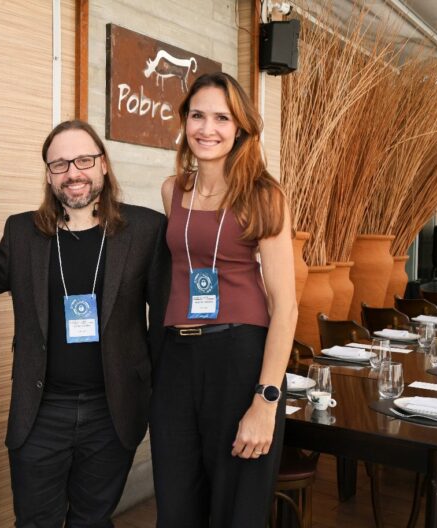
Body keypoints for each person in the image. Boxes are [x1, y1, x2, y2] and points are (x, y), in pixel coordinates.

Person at [0, 120, 169, 527]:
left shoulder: (146, 230)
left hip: (112, 410)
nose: (73, 173)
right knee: (35, 521)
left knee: (92, 521)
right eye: (60, 164)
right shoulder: (22, 232)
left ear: (103, 164)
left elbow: (163, 322)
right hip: (40, 411)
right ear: (48, 175)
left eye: (84, 160)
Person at [150, 72, 297, 527]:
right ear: (184, 121)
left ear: (240, 128)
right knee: (176, 508)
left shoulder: (263, 195)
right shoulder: (173, 190)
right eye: (198, 116)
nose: (207, 128)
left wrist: (265, 401)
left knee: (236, 512)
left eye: (221, 118)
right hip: (177, 361)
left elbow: (286, 306)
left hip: (239, 359)